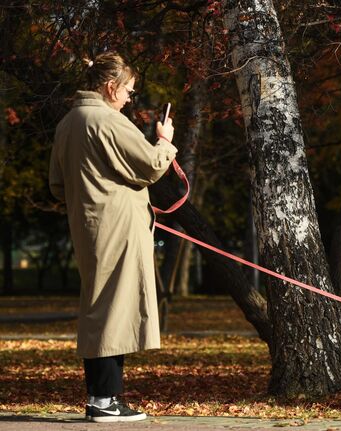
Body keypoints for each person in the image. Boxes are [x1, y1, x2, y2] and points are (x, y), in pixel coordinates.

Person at [49, 51, 177, 423]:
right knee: (112, 308)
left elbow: (58, 186)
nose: (129, 98)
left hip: (87, 224)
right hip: (119, 225)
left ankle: (105, 397)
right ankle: (103, 400)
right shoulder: (109, 120)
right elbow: (153, 166)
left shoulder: (68, 122)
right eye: (128, 91)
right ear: (110, 87)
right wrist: (165, 141)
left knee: (101, 304)